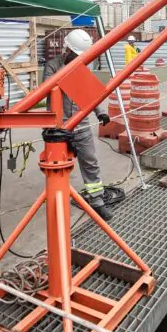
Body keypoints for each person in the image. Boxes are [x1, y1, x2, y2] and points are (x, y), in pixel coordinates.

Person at [44, 29, 114, 220]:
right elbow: (47, 90)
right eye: (75, 54)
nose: (78, 58)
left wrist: (101, 113)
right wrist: (68, 73)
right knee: (57, 166)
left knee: (90, 161)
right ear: (67, 49)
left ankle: (97, 201)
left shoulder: (83, 68)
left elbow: (90, 95)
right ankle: (56, 197)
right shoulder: (52, 66)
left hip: (80, 123)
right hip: (58, 127)